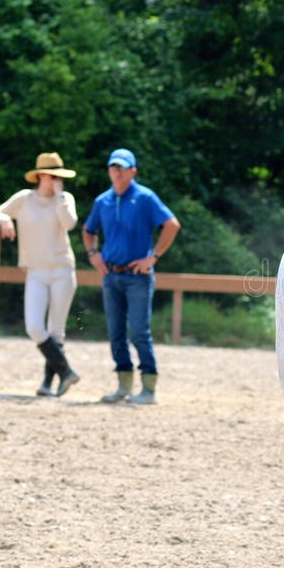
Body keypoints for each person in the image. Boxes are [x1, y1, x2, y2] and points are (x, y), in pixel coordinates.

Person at [82, 149, 181, 404]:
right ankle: (123, 385)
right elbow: (88, 229)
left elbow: (172, 224)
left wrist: (153, 257)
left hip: (138, 277)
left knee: (138, 331)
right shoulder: (102, 201)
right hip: (111, 276)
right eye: (113, 168)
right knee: (115, 332)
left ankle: (149, 387)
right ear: (109, 171)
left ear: (132, 171)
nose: (116, 172)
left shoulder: (145, 197)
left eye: (122, 168)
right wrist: (93, 253)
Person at [0, 152, 80, 396]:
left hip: (62, 269)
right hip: (35, 271)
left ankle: (48, 384)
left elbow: (70, 223)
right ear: (40, 175)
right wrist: (4, 221)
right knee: (34, 326)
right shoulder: (24, 199)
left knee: (56, 329)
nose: (56, 181)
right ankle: (66, 372)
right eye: (52, 176)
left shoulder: (65, 199)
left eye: (59, 177)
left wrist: (61, 196)